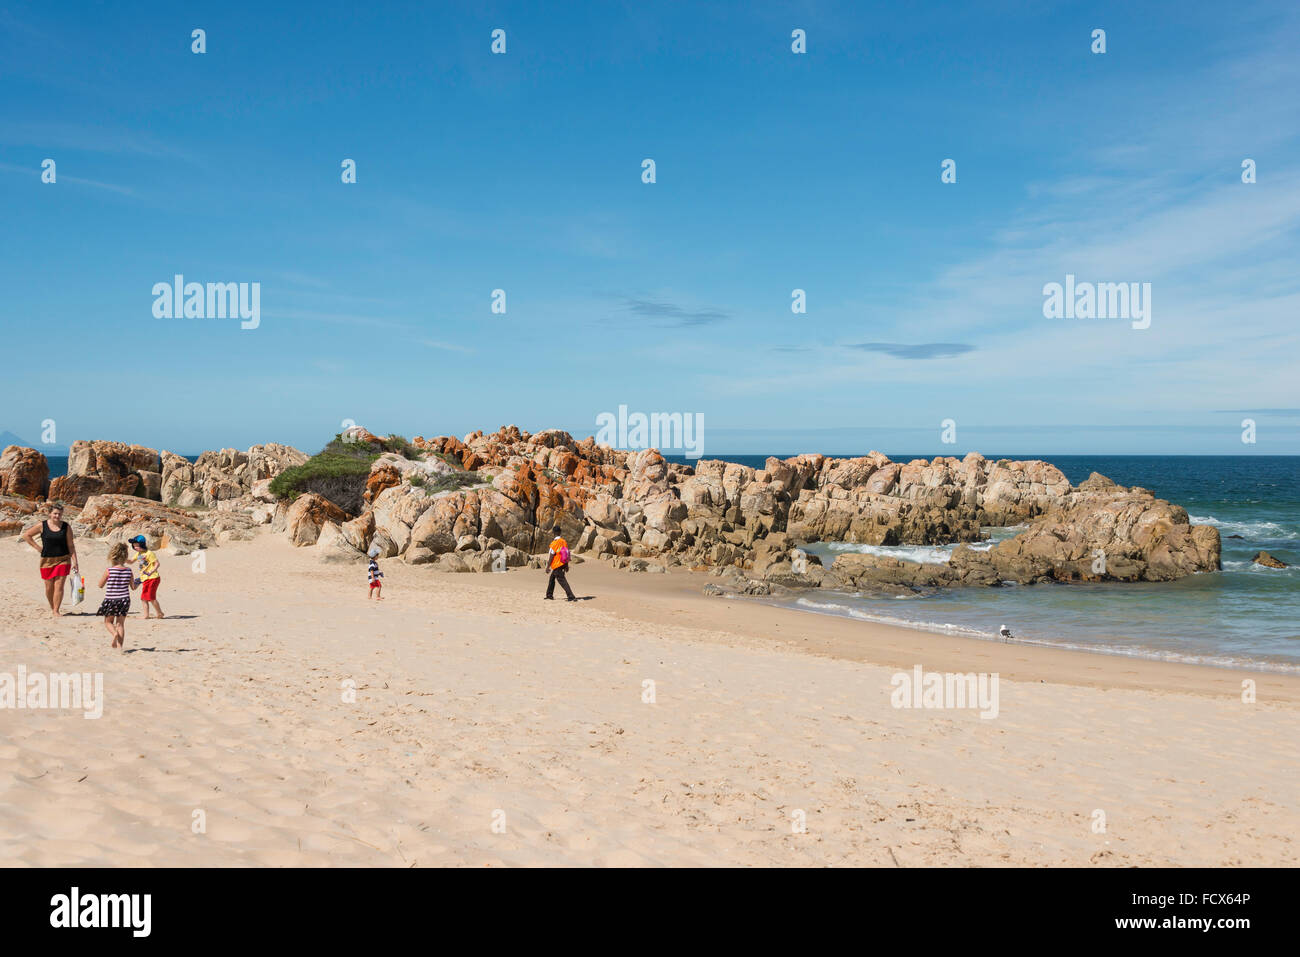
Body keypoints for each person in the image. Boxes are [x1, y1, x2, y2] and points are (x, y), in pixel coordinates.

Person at [21, 502, 79, 617]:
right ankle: (52, 606)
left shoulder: (66, 527)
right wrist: (38, 548)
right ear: (50, 514)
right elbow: (26, 535)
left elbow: (71, 545)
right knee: (49, 587)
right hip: (46, 560)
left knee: (59, 586)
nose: (57, 516)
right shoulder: (42, 525)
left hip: (63, 559)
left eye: (59, 514)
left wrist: (75, 561)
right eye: (55, 514)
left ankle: (56, 610)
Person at [97, 542, 137, 650]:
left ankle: (114, 633)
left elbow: (100, 585)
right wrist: (138, 582)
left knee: (108, 621)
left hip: (111, 599)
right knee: (120, 624)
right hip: (124, 600)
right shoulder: (129, 571)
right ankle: (120, 647)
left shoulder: (109, 571)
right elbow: (133, 587)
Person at [129, 534, 164, 619]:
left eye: (136, 545)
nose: (135, 547)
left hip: (153, 578)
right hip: (144, 579)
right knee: (143, 598)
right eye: (134, 546)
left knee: (151, 598)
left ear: (142, 544)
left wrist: (151, 571)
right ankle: (146, 615)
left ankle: (160, 613)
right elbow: (130, 562)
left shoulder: (149, 553)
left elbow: (157, 563)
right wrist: (122, 558)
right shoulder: (138, 554)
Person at [544, 524, 577, 601]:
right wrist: (566, 565)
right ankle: (549, 595)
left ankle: (571, 596)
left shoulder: (554, 543)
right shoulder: (564, 542)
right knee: (552, 578)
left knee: (562, 581)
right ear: (560, 532)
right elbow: (566, 553)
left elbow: (551, 555)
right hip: (563, 563)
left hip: (557, 564)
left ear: (554, 533)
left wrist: (548, 567)